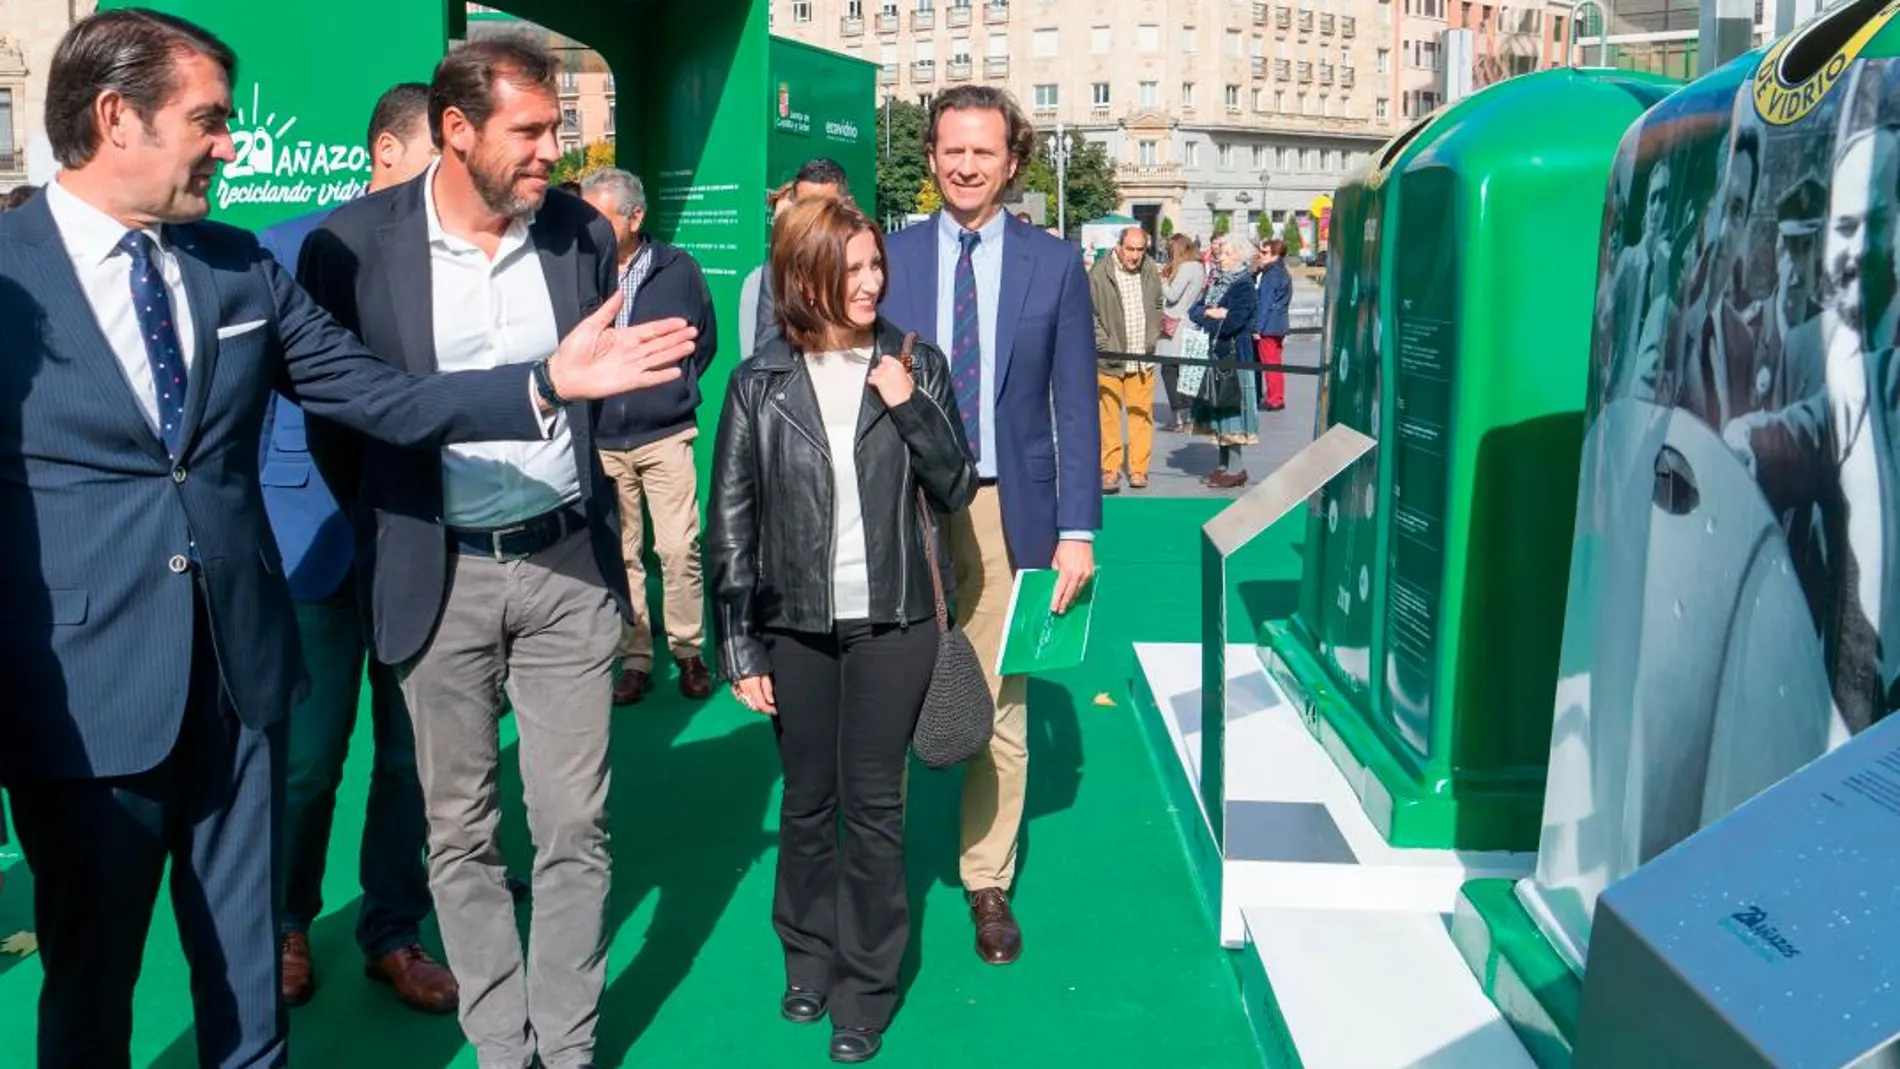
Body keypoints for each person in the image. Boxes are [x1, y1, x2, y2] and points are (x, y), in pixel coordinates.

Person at [0, 12, 694, 1069]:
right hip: (86, 707)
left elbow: (370, 396)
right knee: (92, 982)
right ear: (114, 119)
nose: (230, 145)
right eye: (209, 121)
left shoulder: (237, 268)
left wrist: (542, 383)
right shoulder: (8, 278)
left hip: (240, 686)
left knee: (247, 982)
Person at [297, 38, 658, 1069]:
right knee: (456, 831)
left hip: (565, 572)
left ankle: (570, 1047)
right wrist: (394, 523)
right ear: (456, 131)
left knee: (573, 826)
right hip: (435, 572)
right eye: (532, 132)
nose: (557, 148)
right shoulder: (351, 247)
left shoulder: (581, 234)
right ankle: (505, 1046)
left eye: (558, 127)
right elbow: (341, 420)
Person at [710, 196, 978, 1065]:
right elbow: (732, 520)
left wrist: (912, 407)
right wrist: (740, 643)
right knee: (807, 799)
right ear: (805, 277)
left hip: (893, 621)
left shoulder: (914, 362)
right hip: (795, 624)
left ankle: (866, 986)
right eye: (849, 268)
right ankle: (806, 954)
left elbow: (956, 487)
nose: (868, 283)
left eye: (874, 267)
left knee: (875, 807)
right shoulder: (760, 381)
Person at [878, 84, 1100, 965]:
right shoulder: (884, 258)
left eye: (984, 151)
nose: (966, 165)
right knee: (886, 691)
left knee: (1000, 703)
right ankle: (874, 874)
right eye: (951, 149)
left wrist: (1076, 528)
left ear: (1014, 160)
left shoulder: (1055, 265)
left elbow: (1076, 409)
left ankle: (987, 878)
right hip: (902, 503)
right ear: (931, 156)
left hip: (1013, 512)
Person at [256, 80, 461, 1016]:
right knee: (305, 759)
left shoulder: (460, 251)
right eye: (438, 157)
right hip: (311, 544)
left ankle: (394, 929)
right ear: (387, 151)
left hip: (421, 536)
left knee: (410, 757)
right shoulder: (287, 245)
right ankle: (286, 922)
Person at [580, 167, 720, 705]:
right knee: (622, 554)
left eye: (600, 216)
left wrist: (670, 392)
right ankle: (635, 659)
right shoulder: (580, 270)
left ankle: (688, 653)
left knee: (680, 548)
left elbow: (700, 343)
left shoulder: (680, 270)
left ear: (635, 218)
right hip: (602, 438)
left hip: (664, 434)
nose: (588, 227)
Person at [1089, 224, 1163, 492]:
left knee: (1141, 415)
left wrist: (1153, 334)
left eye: (1140, 250)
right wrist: (1104, 343)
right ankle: (1109, 469)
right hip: (1110, 358)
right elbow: (1091, 313)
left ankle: (1138, 469)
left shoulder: (1150, 269)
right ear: (1119, 247)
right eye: (1130, 249)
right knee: (1108, 417)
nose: (1134, 255)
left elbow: (1157, 303)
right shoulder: (1099, 272)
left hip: (1142, 357)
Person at [754, 157, 850, 352]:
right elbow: (766, 348)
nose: (814, 218)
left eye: (825, 208)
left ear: (847, 205)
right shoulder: (778, 267)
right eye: (805, 207)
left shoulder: (867, 256)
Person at [1188, 236, 1260, 489]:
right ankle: (1222, 466)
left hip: (1234, 358)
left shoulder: (1244, 286)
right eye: (1220, 252)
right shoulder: (1214, 281)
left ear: (1239, 258)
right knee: (1217, 412)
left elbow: (1234, 323)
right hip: (1212, 354)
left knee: (1232, 413)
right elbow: (1194, 311)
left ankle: (1236, 469)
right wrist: (1211, 312)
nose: (1220, 257)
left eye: (1227, 253)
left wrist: (1215, 315)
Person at [1156, 232, 1204, 431]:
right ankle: (1190, 416)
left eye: (1170, 249)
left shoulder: (1186, 268)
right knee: (1188, 373)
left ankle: (1178, 418)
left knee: (1169, 370)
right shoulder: (1200, 267)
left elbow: (1173, 295)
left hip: (1175, 326)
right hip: (1191, 324)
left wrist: (1162, 280)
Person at [1251, 237, 1292, 412]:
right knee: (1275, 363)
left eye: (1265, 252)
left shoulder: (1271, 273)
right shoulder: (1283, 270)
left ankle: (1274, 399)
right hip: (1279, 323)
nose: (1261, 255)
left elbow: (1265, 303)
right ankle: (1277, 397)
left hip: (1269, 326)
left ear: (1275, 254)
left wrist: (1257, 328)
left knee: (1270, 364)